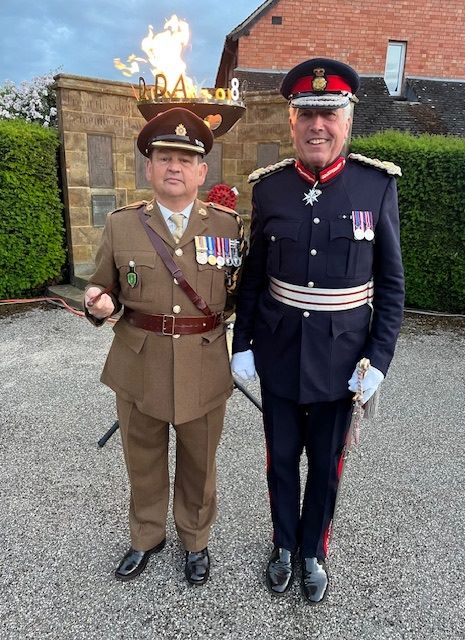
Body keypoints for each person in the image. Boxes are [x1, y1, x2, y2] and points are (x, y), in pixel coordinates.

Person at [231, 58, 404, 604]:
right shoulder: (271, 189)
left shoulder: (375, 187)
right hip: (280, 353)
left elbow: (392, 285)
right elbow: (255, 276)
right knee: (280, 459)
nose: (317, 125)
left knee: (326, 468)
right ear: (291, 121)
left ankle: (313, 550)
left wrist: (378, 361)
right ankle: (282, 544)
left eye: (328, 112)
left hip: (342, 359)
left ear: (348, 119)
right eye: (306, 113)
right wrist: (243, 345)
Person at [84, 107, 244, 586]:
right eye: (164, 157)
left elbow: (241, 294)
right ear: (149, 168)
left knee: (199, 461)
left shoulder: (228, 227)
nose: (174, 166)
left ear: (201, 172)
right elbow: (100, 286)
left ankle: (195, 540)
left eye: (185, 158)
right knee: (144, 457)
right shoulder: (121, 225)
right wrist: (99, 302)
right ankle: (146, 535)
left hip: (204, 362)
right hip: (140, 362)